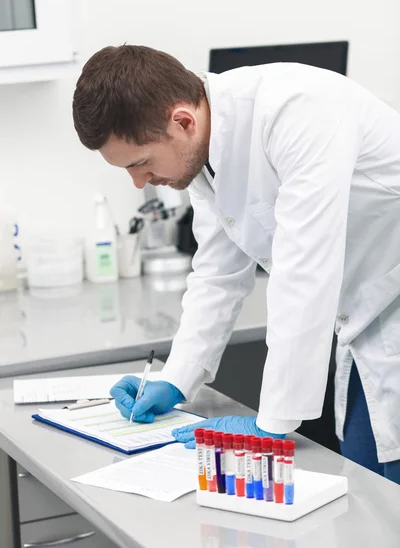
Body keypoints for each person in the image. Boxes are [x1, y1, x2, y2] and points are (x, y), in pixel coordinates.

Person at [73, 45, 400, 483]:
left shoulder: (298, 111)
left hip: (388, 309)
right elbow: (217, 273)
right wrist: (177, 378)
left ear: (182, 121)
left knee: (383, 499)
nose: (138, 182)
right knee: (370, 497)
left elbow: (304, 273)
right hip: (370, 323)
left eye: (141, 163)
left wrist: (271, 425)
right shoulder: (202, 148)